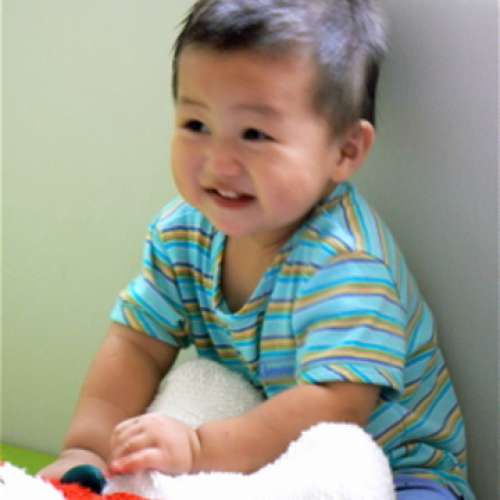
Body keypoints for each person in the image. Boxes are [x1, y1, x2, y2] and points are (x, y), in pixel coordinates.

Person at [40, 1, 475, 498]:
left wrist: (199, 449)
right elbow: (137, 345)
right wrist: (88, 449)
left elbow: (336, 408)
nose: (219, 163)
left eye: (255, 134)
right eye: (196, 125)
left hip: (403, 473)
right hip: (259, 453)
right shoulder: (183, 234)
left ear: (345, 150)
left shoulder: (346, 260)